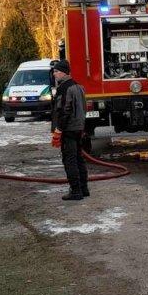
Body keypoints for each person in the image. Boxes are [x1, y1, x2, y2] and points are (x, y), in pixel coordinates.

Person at [51, 59, 89, 201]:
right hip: (79, 128)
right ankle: (84, 188)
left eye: (56, 71)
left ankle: (76, 191)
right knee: (79, 159)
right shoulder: (79, 87)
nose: (54, 74)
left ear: (64, 72)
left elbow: (64, 111)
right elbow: (84, 109)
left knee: (69, 160)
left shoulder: (64, 89)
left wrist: (59, 130)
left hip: (68, 129)